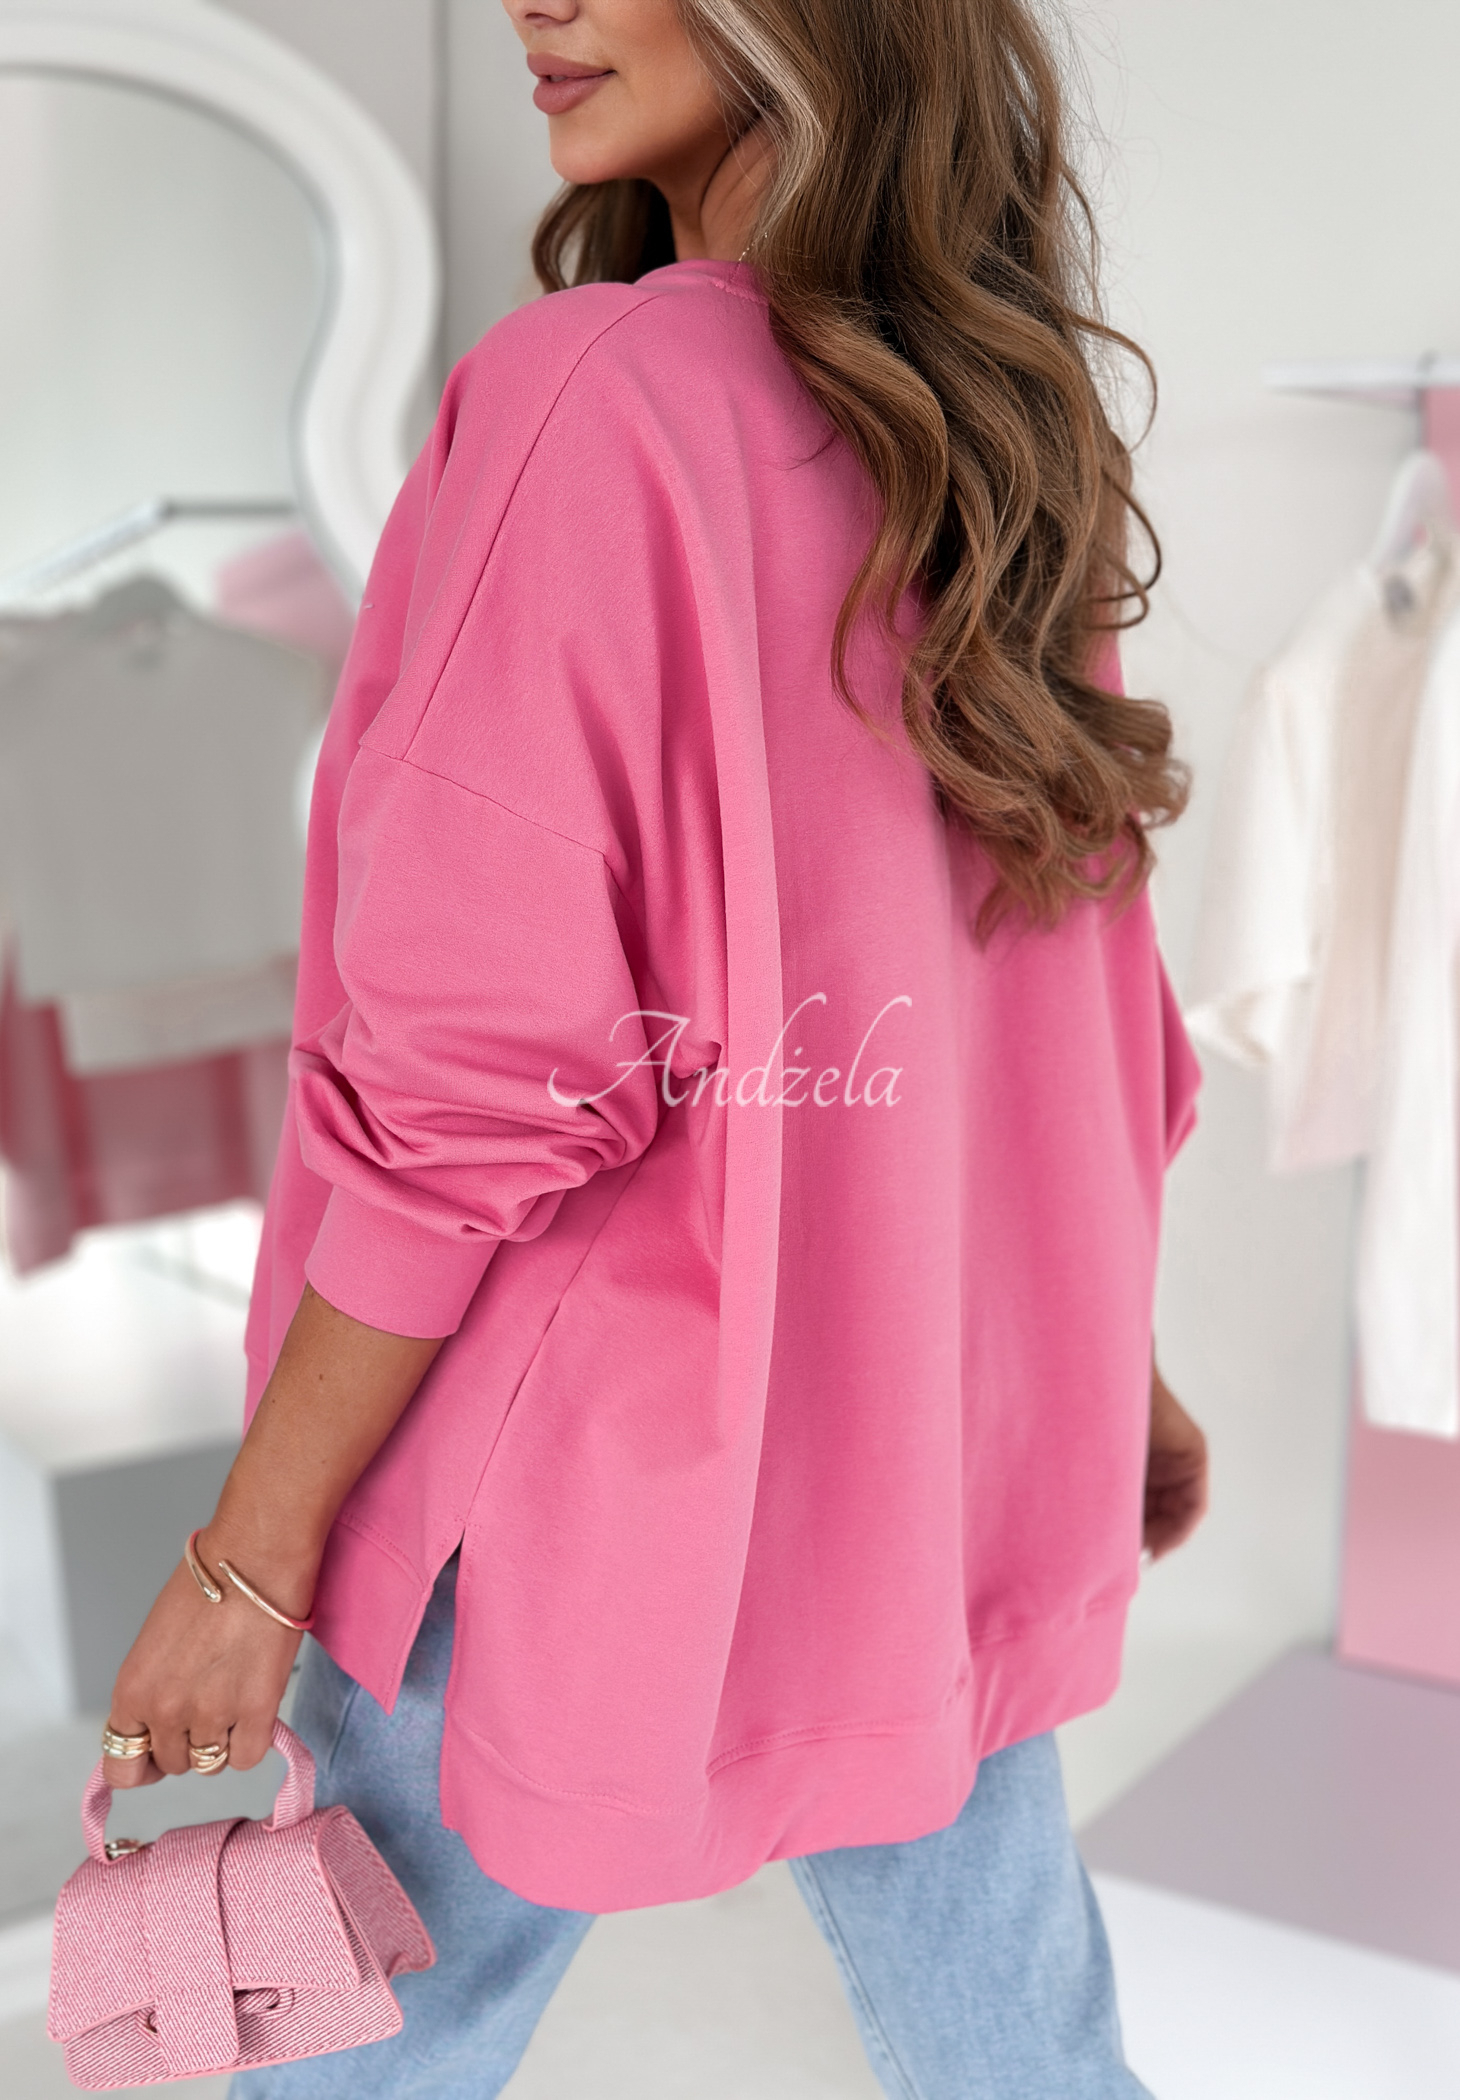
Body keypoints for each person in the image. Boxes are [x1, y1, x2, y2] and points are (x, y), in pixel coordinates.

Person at [102, 0, 1208, 2092]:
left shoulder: (590, 395)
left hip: (583, 1483)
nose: (542, 1)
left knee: (365, 2046)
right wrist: (1100, 1368)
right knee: (1023, 2047)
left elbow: (472, 1084)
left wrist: (249, 1561)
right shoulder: (1014, 420)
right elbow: (1064, 980)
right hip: (912, 1465)